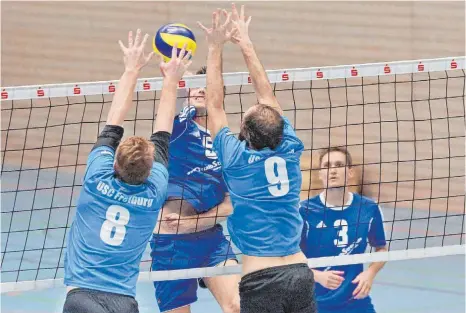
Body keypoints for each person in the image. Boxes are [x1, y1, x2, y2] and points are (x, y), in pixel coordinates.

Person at [62, 29, 192, 313]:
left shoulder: (96, 179)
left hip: (81, 298)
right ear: (150, 169)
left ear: (114, 163)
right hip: (123, 301)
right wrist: (172, 79)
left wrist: (131, 69)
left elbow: (113, 123)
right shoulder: (155, 190)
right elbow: (163, 131)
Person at [198, 4, 316, 313]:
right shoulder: (289, 147)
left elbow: (215, 104)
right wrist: (246, 44)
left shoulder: (235, 158)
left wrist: (215, 47)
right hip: (300, 272)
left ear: (244, 131)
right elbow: (267, 95)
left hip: (261, 278)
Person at [149, 64, 240, 313]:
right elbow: (171, 97)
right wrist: (177, 74)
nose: (200, 89)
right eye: (195, 86)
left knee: (237, 306)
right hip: (171, 244)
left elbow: (230, 205)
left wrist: (193, 223)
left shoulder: (228, 143)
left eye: (207, 85)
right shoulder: (176, 127)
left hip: (210, 239)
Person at [300, 147, 388, 313]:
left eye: (339, 165)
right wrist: (317, 276)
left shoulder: (368, 209)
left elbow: (381, 248)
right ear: (320, 174)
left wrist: (370, 273)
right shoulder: (304, 212)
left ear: (350, 172)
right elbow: (288, 259)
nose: (332, 170)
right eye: (327, 166)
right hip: (313, 303)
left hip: (355, 302)